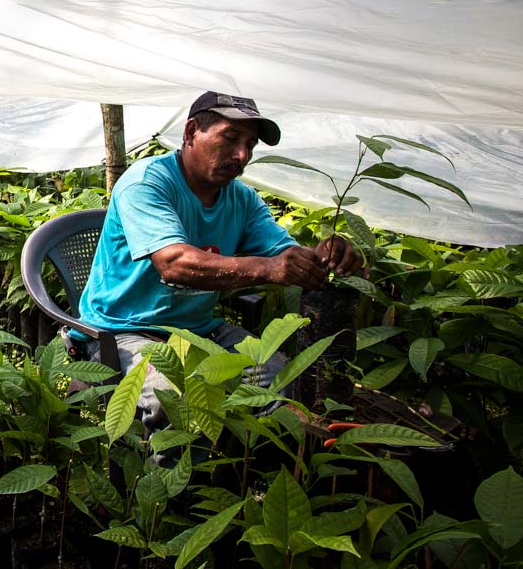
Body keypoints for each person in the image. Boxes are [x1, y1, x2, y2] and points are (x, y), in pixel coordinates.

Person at [77, 91, 363, 425]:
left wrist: (325, 257)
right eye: (230, 138)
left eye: (251, 145)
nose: (241, 155)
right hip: (124, 332)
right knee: (177, 402)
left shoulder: (241, 199)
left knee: (287, 382)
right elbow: (174, 263)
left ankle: (245, 471)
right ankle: (169, 477)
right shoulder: (147, 183)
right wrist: (268, 269)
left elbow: (285, 253)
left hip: (200, 332)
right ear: (191, 133)